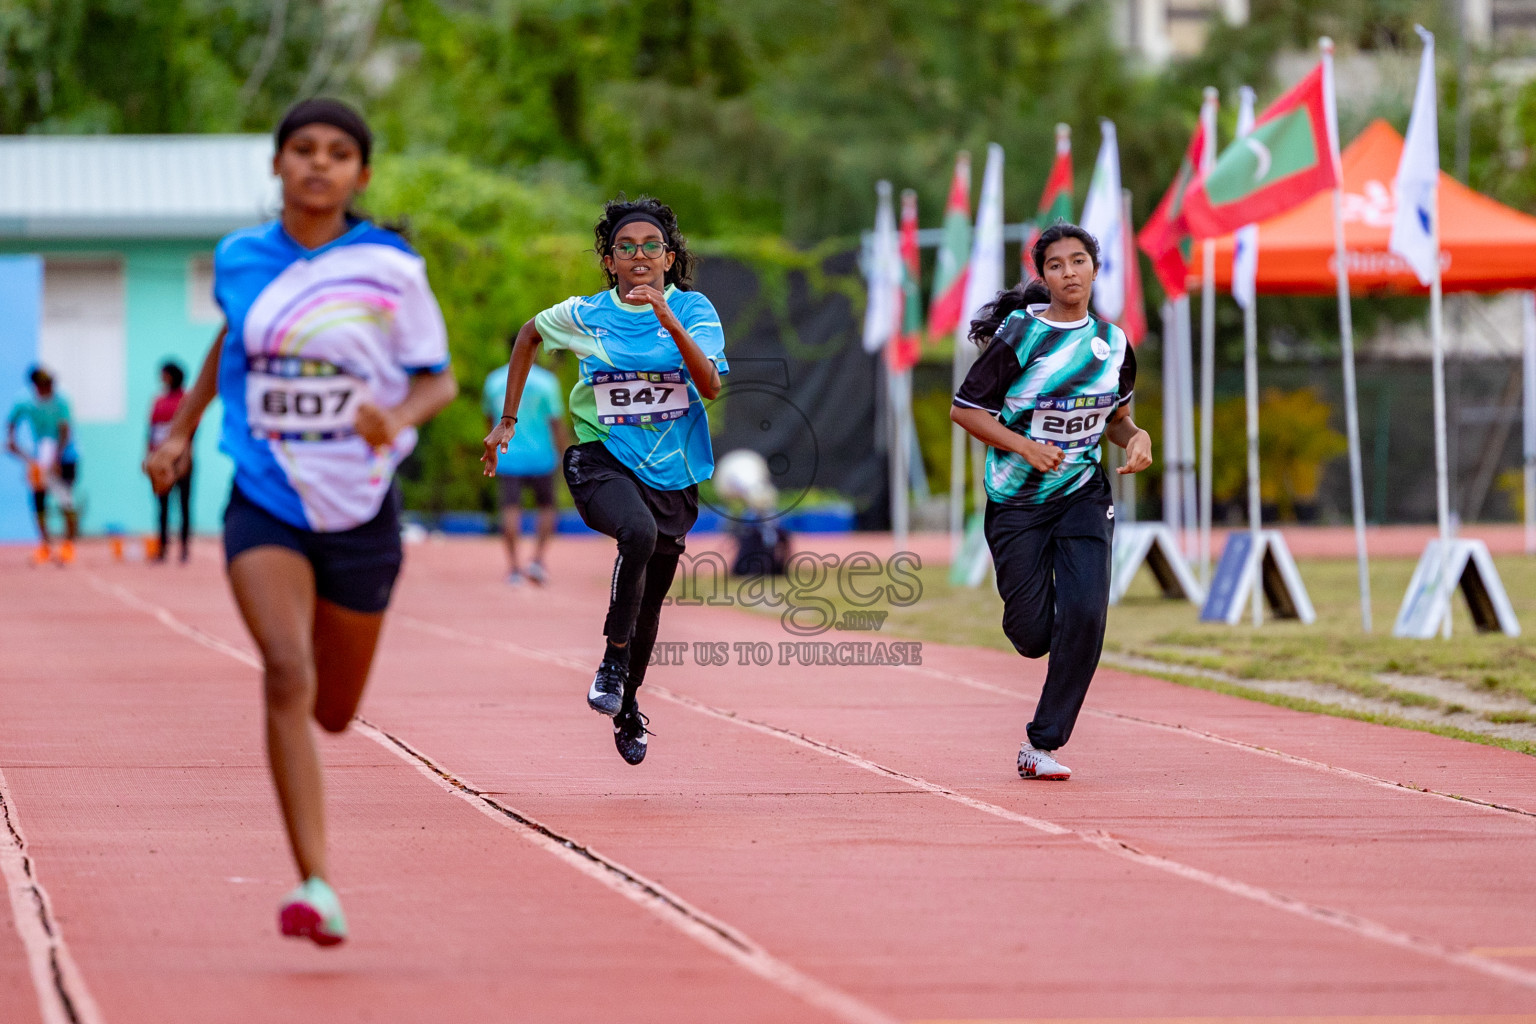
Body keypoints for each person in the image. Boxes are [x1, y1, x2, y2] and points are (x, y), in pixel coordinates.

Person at [145, 98, 456, 946]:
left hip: (360, 504)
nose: (319, 163)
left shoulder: (392, 268)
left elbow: (437, 380)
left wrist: (396, 419)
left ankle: (316, 837)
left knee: (333, 711)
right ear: (278, 164)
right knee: (286, 672)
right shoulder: (242, 258)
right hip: (266, 494)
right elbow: (233, 343)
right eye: (303, 149)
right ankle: (315, 884)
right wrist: (180, 432)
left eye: (339, 153)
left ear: (361, 174)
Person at [482, 196, 726, 767]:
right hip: (600, 460)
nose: (639, 256)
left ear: (668, 258)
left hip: (673, 472)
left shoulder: (694, 311)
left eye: (650, 247)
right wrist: (508, 420)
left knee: (652, 601)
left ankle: (628, 702)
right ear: (610, 259)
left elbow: (710, 387)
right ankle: (612, 660)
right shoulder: (586, 314)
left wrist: (668, 320)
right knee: (635, 533)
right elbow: (527, 336)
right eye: (626, 247)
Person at [950, 223, 1152, 782]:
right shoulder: (1021, 335)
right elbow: (966, 410)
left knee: (1087, 613)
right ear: (1043, 274)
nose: (1069, 273)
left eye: (1079, 261)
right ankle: (1033, 621)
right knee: (1033, 635)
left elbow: (1115, 418)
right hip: (1016, 500)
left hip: (1083, 494)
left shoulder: (1113, 344)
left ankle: (1042, 743)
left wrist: (1136, 437)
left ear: (1095, 268)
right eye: (1057, 264)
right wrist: (1025, 447)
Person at [481, 347, 570, 584]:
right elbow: (556, 422)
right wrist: (566, 454)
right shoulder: (547, 382)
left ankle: (513, 568)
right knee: (547, 507)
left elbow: (489, 420)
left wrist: (490, 450)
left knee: (510, 509)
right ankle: (537, 561)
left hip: (507, 454)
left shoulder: (495, 381)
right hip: (542, 455)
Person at [6, 366, 79, 565]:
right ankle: (45, 544)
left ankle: (68, 545)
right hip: (40, 457)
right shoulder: (25, 401)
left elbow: (65, 431)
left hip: (65, 456)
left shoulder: (61, 400)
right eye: (42, 386)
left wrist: (57, 459)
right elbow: (11, 421)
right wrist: (12, 440)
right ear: (35, 386)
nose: (46, 389)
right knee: (38, 501)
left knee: (66, 499)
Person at [148, 360, 193, 562]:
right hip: (161, 458)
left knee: (183, 504)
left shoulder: (186, 399)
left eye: (164, 374)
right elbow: (151, 430)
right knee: (162, 505)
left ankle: (184, 548)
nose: (161, 378)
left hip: (180, 456)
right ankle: (162, 547)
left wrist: (185, 457)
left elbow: (192, 431)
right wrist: (150, 457)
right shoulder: (159, 400)